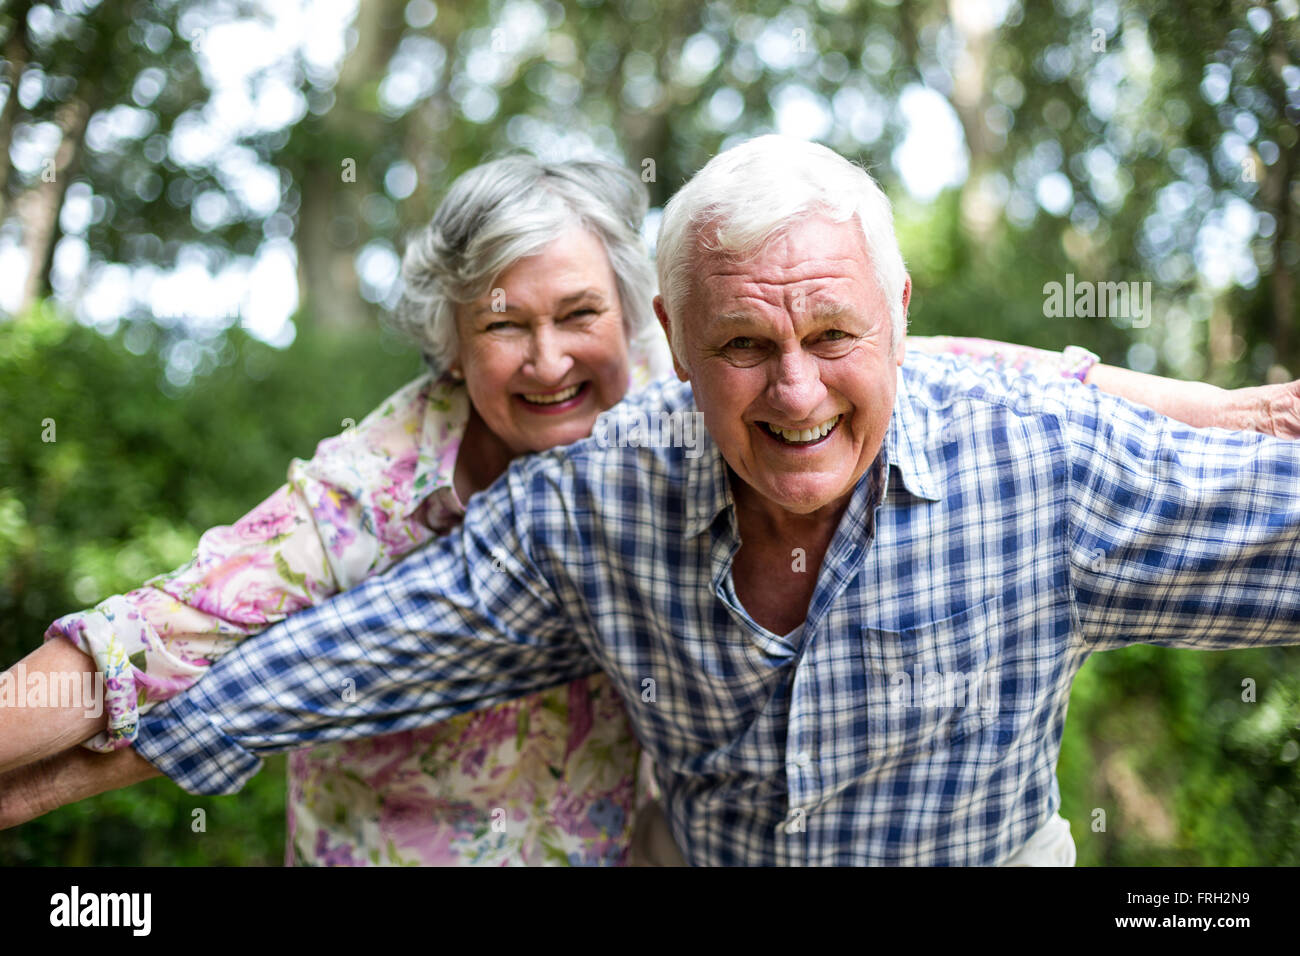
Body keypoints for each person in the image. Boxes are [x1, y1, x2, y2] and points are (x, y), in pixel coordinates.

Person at [5, 136, 1300, 865]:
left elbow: (953, 370)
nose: (553, 357)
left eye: (581, 315)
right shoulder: (424, 499)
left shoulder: (711, 423)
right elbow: (197, 654)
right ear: (451, 345)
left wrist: (1188, 400)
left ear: (641, 324)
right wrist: (70, 771)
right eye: (507, 327)